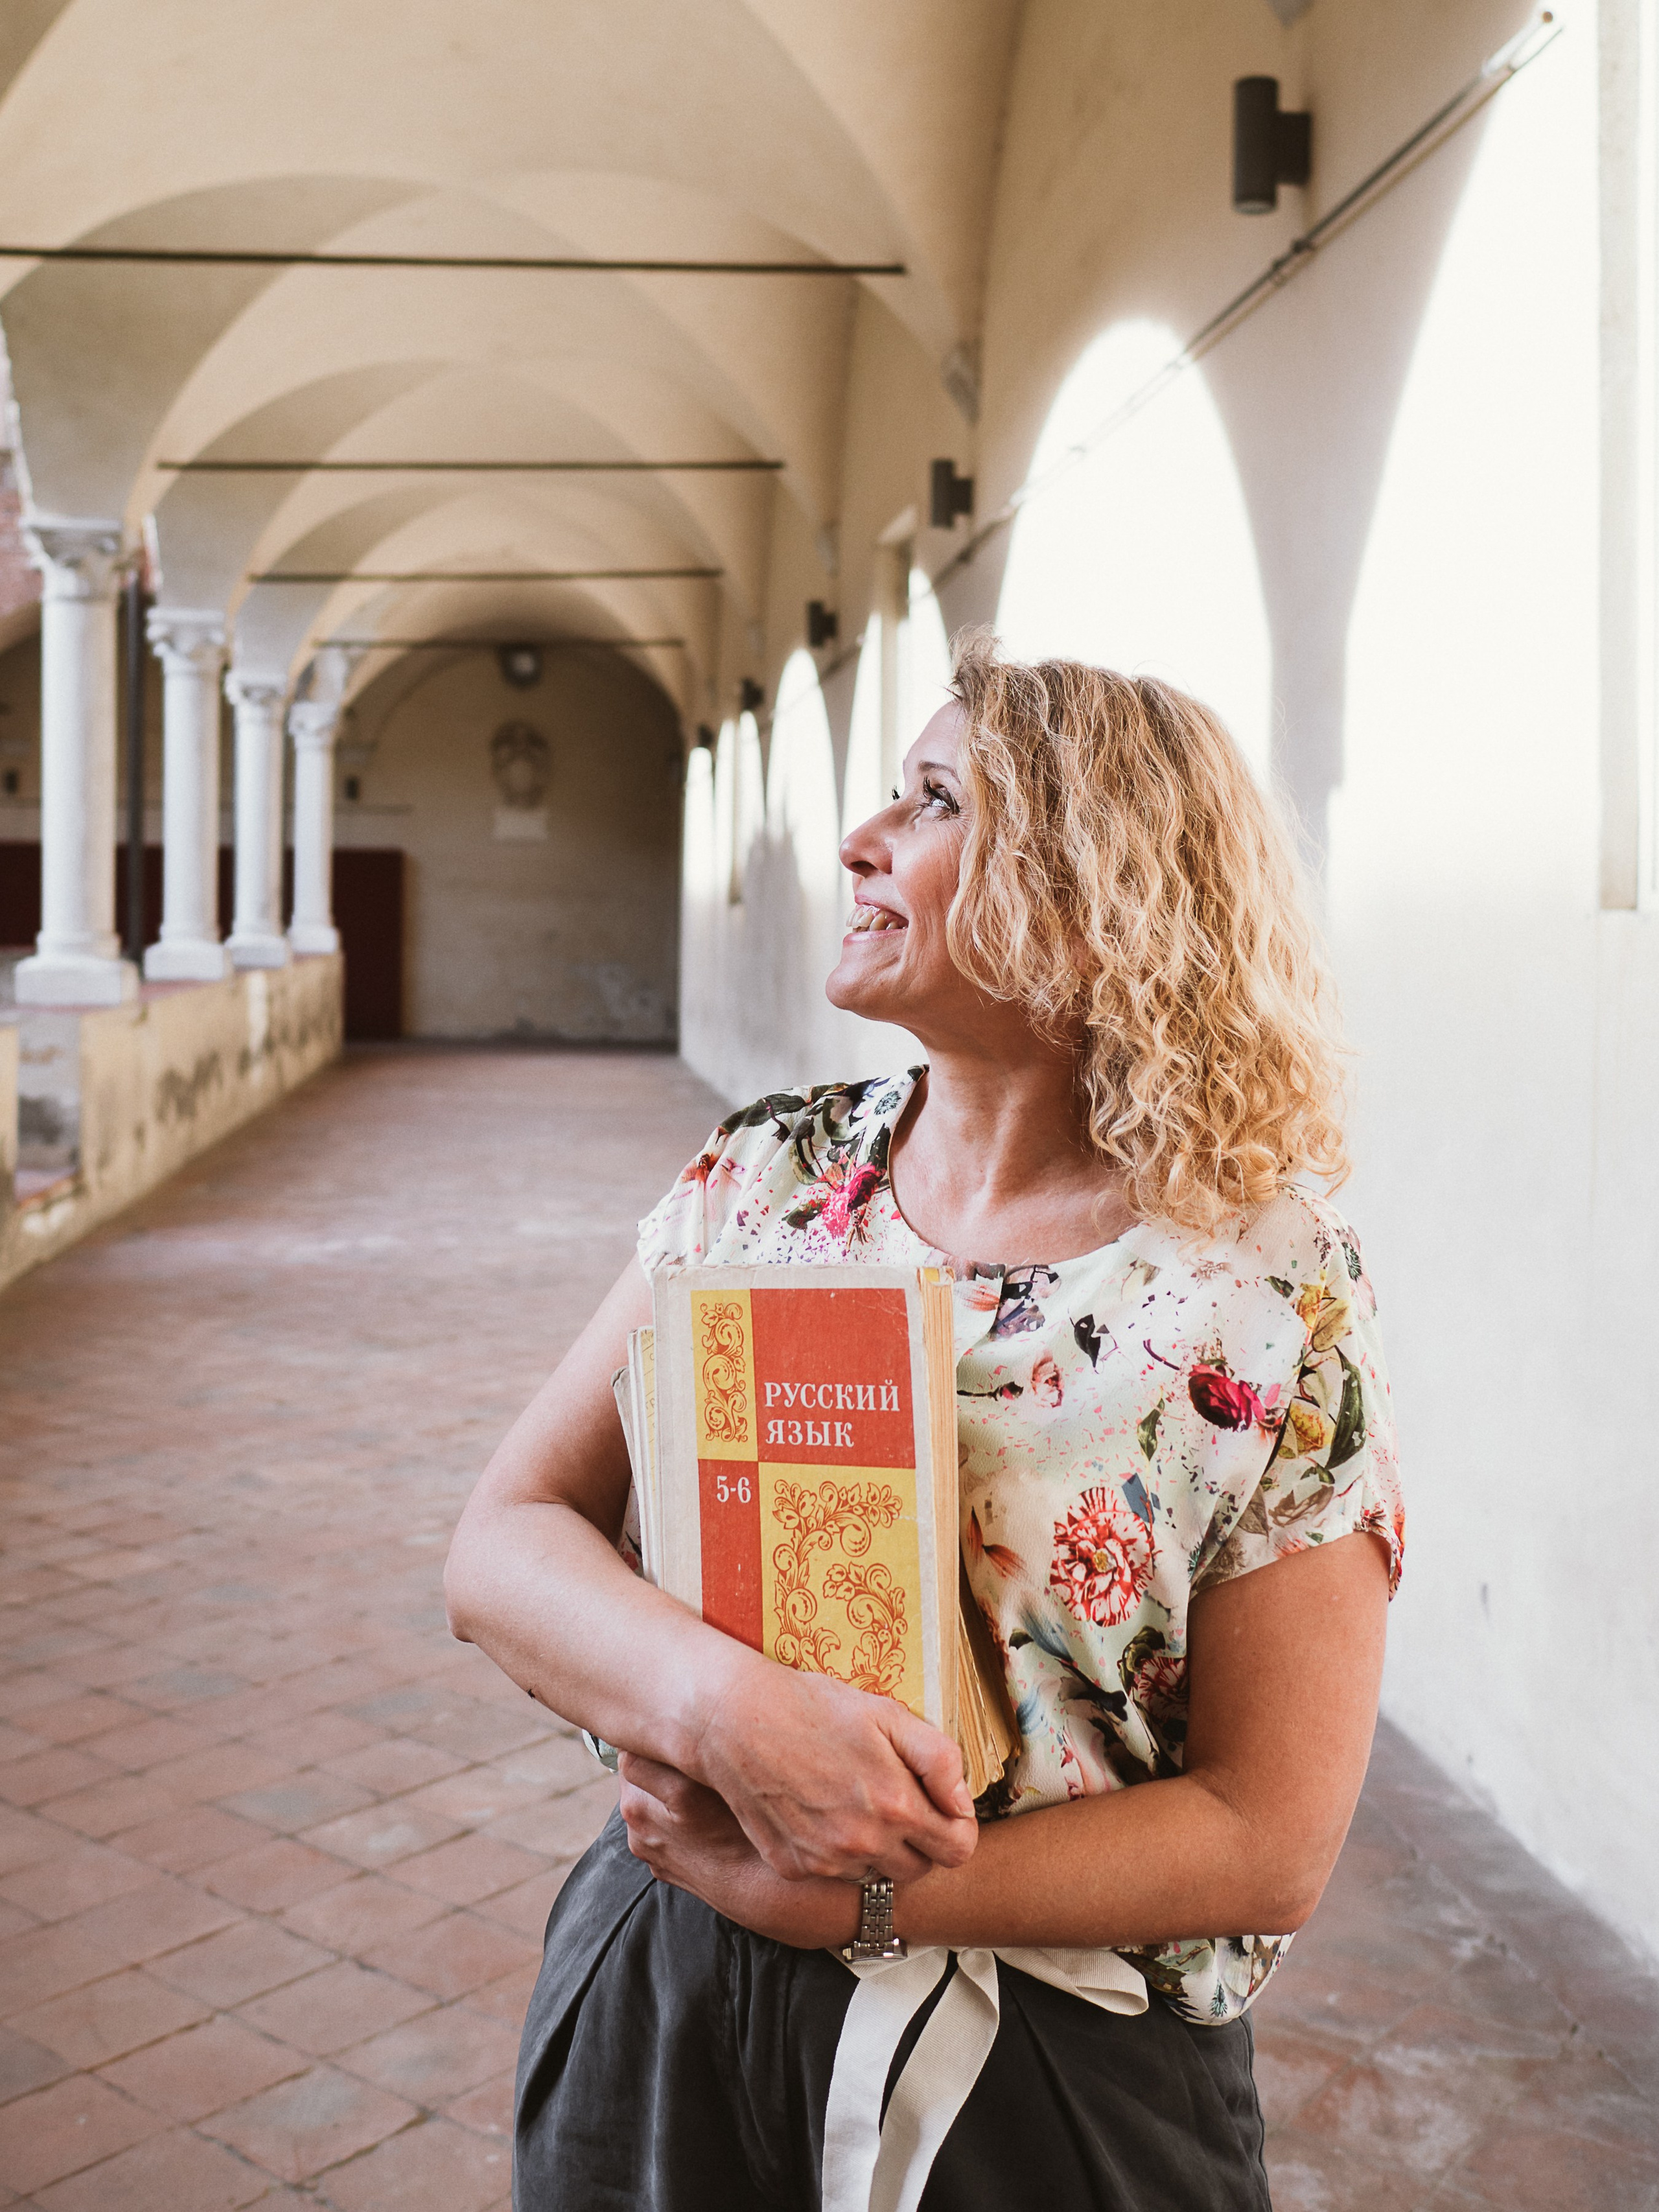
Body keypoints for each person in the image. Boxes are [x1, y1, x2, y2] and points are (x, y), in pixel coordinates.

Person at [445, 636, 1403, 2211]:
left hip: (1047, 2069)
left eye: (932, 800)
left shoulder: (1260, 1290)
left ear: (1098, 889)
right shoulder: (767, 1183)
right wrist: (715, 1710)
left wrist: (868, 1910)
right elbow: (502, 1543)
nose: (860, 840)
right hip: (671, 1975)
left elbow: (1264, 1830)